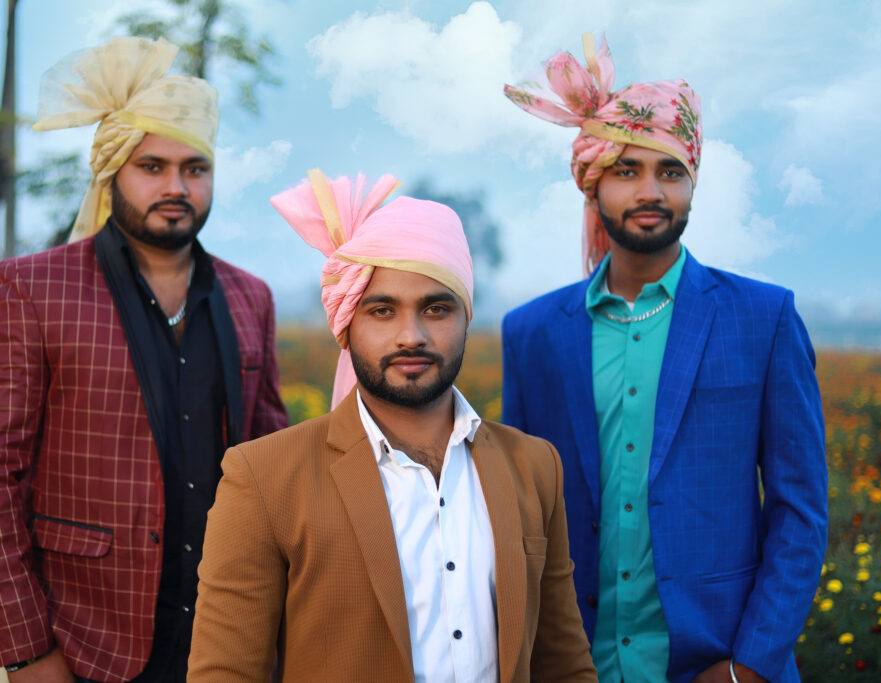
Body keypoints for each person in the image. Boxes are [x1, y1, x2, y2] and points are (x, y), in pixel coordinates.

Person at [0, 37, 288, 682]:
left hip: (218, 643)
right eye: (152, 165)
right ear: (112, 170)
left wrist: (274, 632)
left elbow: (273, 473)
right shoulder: (31, 288)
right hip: (81, 641)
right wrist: (26, 652)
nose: (176, 186)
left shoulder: (251, 298)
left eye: (195, 168)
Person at [500, 35, 828, 683]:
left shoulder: (763, 318)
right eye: (627, 170)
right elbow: (522, 517)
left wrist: (748, 668)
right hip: (574, 663)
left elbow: (801, 511)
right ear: (592, 183)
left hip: (719, 662)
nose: (650, 190)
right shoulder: (532, 333)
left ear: (692, 184)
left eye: (670, 172)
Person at [186, 169, 597, 682]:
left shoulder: (534, 466)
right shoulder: (265, 477)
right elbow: (225, 672)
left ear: (465, 317)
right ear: (346, 325)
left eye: (436, 308)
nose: (411, 335)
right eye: (382, 310)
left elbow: (564, 663)